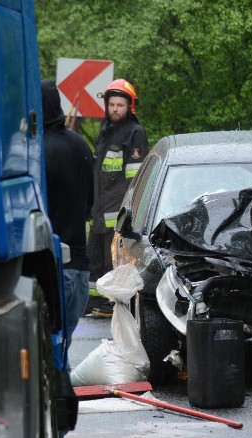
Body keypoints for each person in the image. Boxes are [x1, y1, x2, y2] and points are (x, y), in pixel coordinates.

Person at [41, 79, 94, 438]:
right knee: (61, 352)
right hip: (79, 268)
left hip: (53, 270)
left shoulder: (38, 152)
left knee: (50, 358)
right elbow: (90, 204)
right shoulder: (80, 146)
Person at [87, 78, 149, 317]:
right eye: (111, 104)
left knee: (111, 261)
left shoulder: (135, 134)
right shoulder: (105, 133)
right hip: (100, 211)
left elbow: (134, 180)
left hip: (116, 212)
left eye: (119, 105)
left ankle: (110, 303)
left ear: (129, 107)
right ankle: (95, 303)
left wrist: (128, 212)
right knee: (94, 261)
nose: (114, 109)